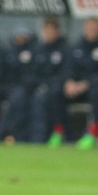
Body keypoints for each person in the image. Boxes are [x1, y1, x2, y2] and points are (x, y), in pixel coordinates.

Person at [61, 17, 98, 148]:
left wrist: (87, 83)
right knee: (56, 92)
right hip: (79, 89)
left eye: (94, 28)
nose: (91, 31)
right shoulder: (77, 48)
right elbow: (68, 68)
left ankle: (93, 131)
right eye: (89, 28)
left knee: (96, 90)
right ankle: (61, 132)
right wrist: (69, 82)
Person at [29, 16, 69, 146]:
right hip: (40, 86)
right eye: (47, 30)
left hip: (58, 88)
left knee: (48, 97)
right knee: (23, 97)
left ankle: (55, 134)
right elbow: (33, 72)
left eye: (52, 30)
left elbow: (66, 72)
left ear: (57, 32)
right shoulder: (38, 49)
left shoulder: (64, 49)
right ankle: (29, 136)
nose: (49, 33)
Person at [0, 27, 38, 144]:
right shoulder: (11, 53)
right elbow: (5, 74)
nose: (20, 39)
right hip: (10, 88)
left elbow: (34, 74)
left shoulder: (34, 52)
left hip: (28, 89)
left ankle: (7, 134)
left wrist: (26, 85)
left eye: (22, 37)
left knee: (19, 101)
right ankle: (4, 133)